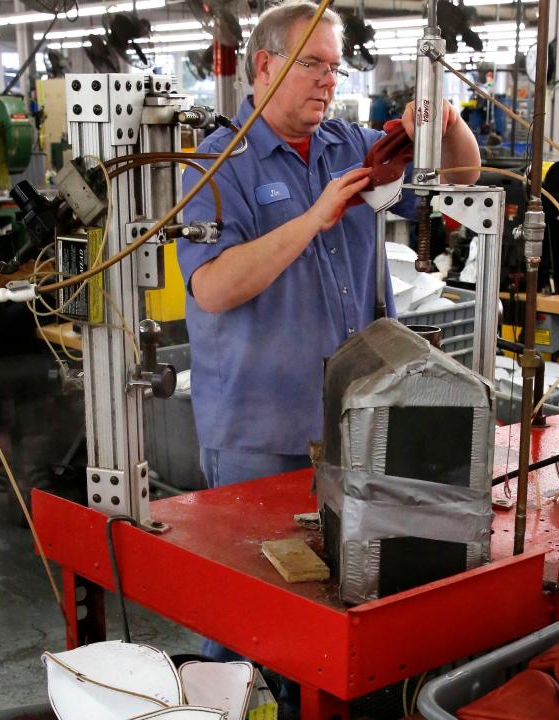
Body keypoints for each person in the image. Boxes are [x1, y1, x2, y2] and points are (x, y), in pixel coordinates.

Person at [177, 1, 480, 489]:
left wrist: (447, 127)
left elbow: (457, 184)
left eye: (334, 68)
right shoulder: (217, 164)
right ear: (264, 65)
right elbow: (212, 288)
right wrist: (313, 218)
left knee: (354, 560)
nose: (328, 80)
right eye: (313, 64)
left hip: (358, 411)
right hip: (259, 434)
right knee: (255, 564)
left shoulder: (350, 146)